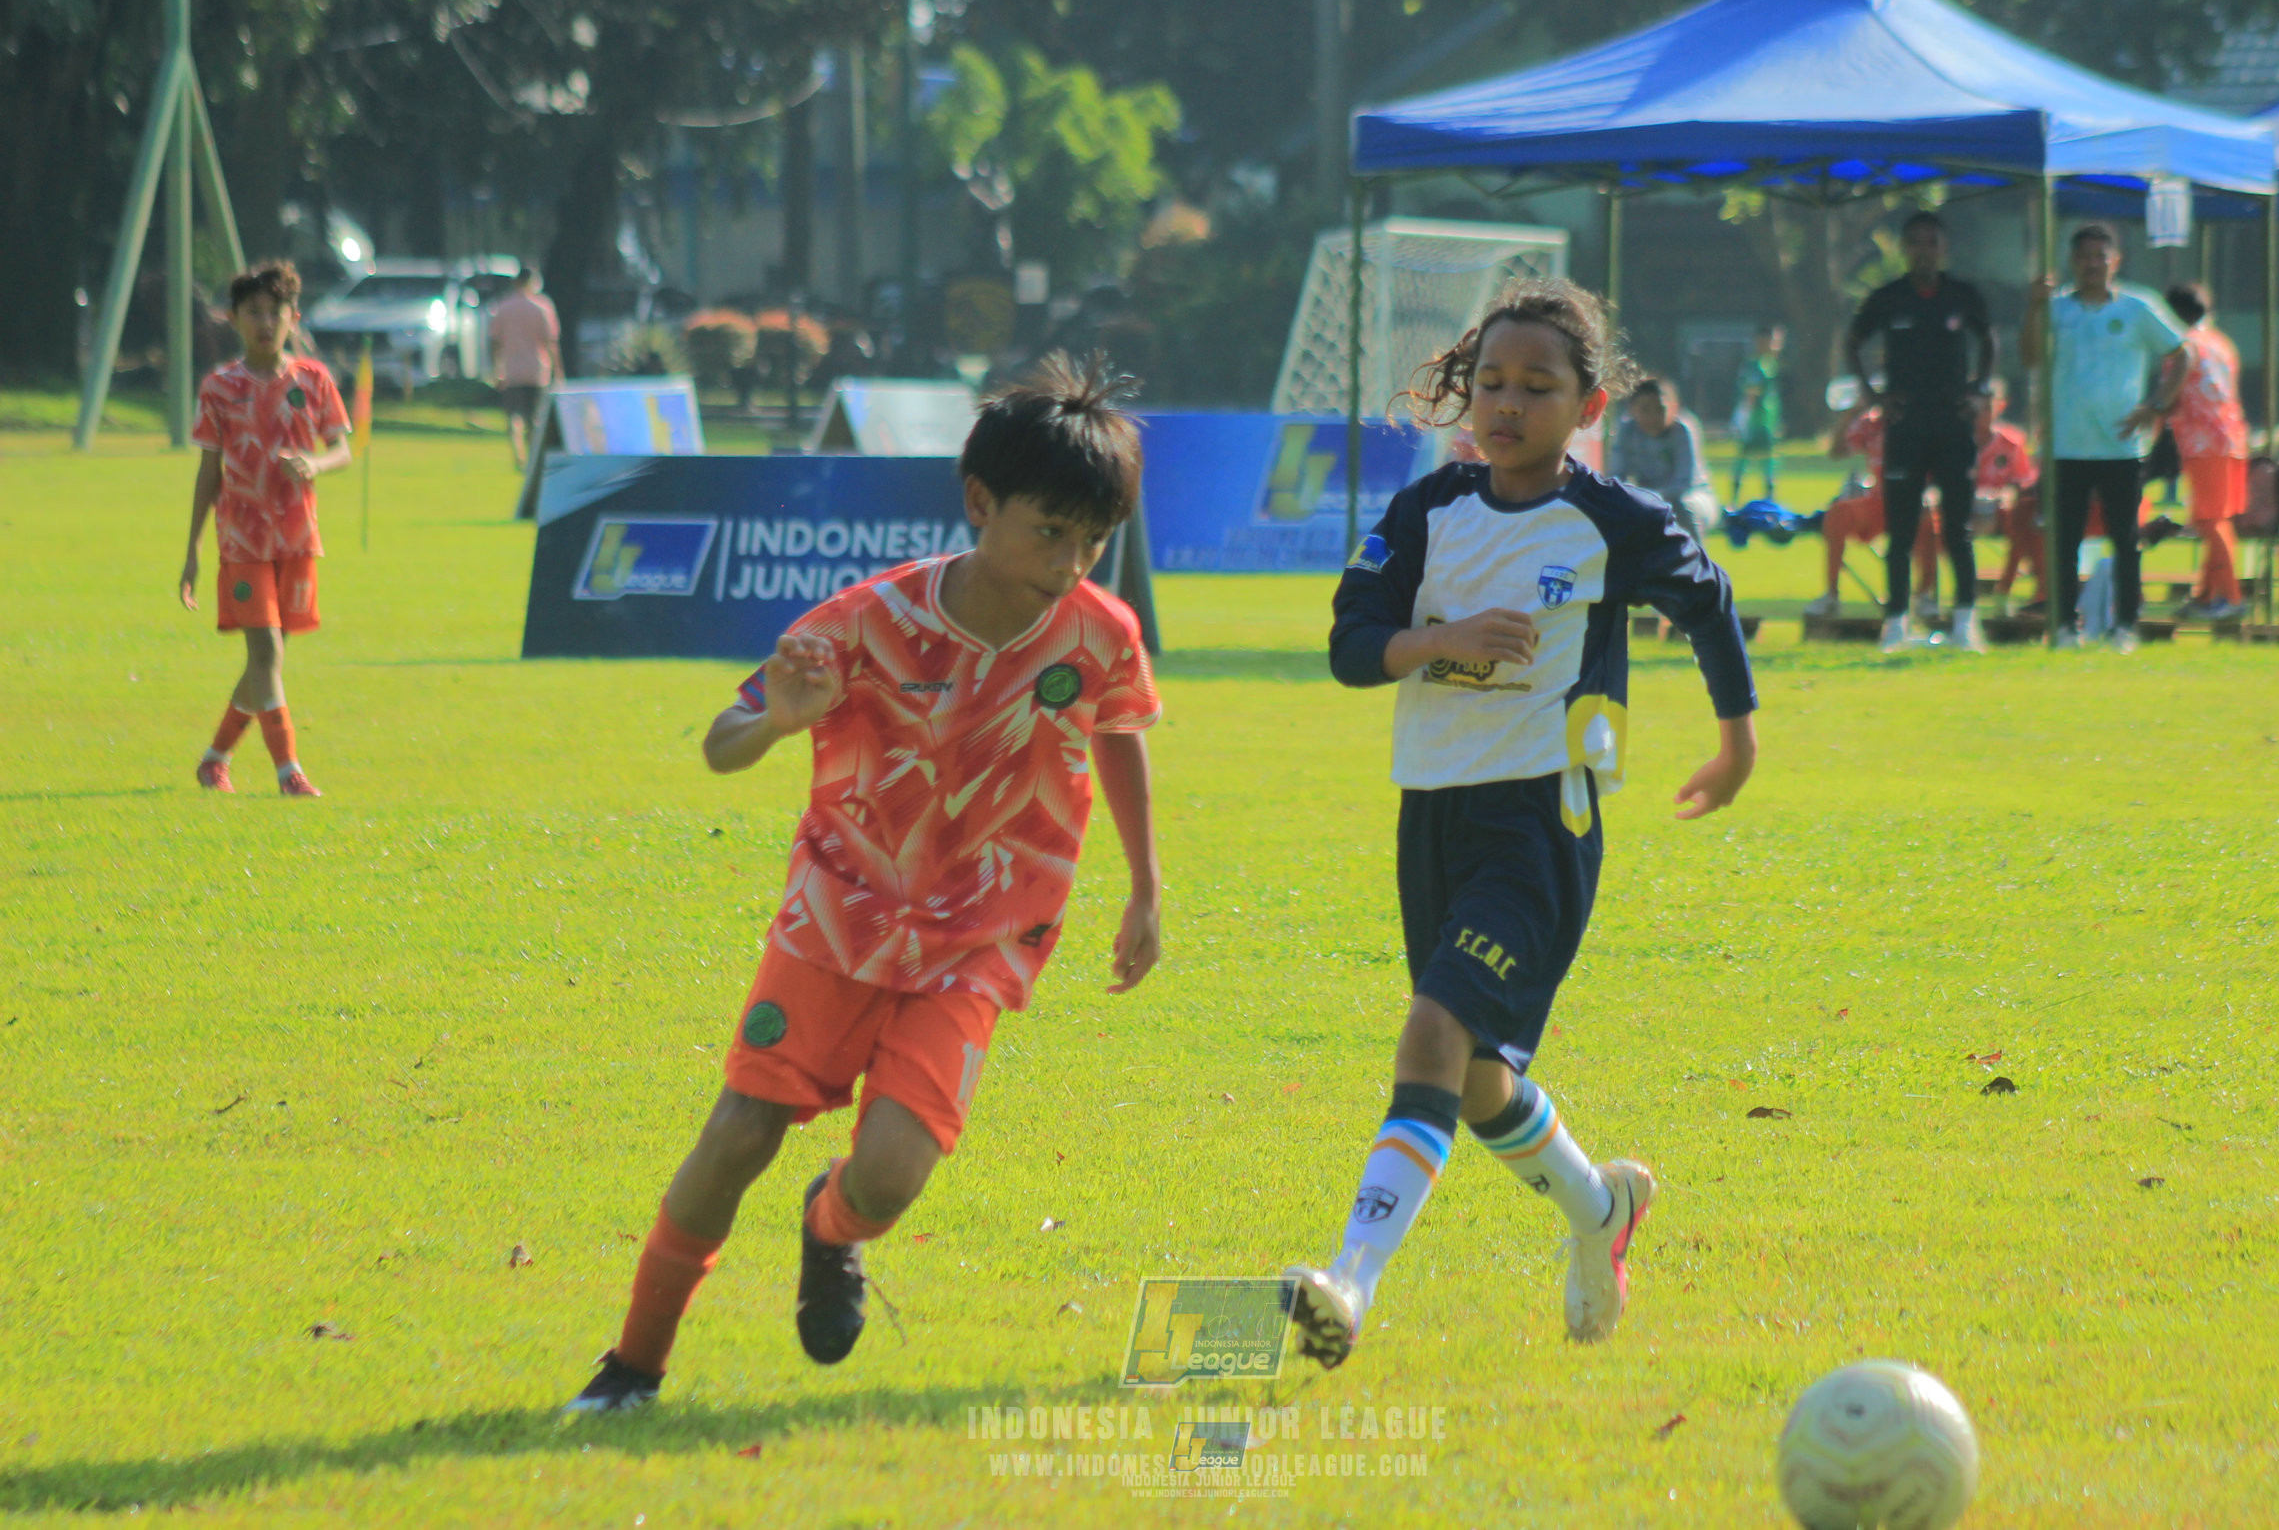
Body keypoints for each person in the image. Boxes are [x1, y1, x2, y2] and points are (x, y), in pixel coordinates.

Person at [567, 354, 1163, 1413]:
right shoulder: (862, 621)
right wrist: (776, 721)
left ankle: (829, 1227)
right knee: (737, 1132)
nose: (1070, 562)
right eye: (1047, 532)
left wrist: (1145, 883)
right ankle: (633, 1366)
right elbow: (720, 742)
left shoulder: (1099, 632)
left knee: (890, 1173)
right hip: (835, 921)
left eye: (1092, 539)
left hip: (983, 936)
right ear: (980, 502)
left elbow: (1116, 728)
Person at [1284, 279, 1758, 1370]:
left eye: (1537, 387)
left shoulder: (1613, 519)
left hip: (1544, 819)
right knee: (1479, 1079)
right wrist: (1432, 641)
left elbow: (1710, 603)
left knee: (1430, 1036)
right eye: (1490, 381)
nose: (1507, 403)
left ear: (1586, 403)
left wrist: (1735, 739)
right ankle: (1599, 1209)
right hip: (1433, 814)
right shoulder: (1426, 510)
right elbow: (1352, 644)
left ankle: (1347, 1284)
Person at [179, 259, 353, 798]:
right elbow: (209, 471)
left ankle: (214, 759)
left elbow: (342, 449)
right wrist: (193, 549)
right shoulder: (221, 387)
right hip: (242, 540)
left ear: (293, 318)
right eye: (252, 312)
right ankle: (289, 772)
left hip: (298, 539)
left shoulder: (314, 380)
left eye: (274, 312)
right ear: (233, 319)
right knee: (267, 657)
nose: (264, 322)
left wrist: (315, 464)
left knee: (264, 662)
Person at [2021, 224, 2188, 652]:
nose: (2092, 264)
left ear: (2116, 261)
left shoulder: (2137, 306)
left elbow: (2181, 353)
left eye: (2101, 256)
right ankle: (2062, 627)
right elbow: (2029, 357)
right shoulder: (2057, 309)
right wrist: (2033, 309)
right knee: (2064, 541)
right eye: (2084, 257)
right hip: (2067, 445)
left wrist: (2156, 404)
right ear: (2072, 262)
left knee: (2125, 539)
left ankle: (2126, 626)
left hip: (2120, 445)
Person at [1846, 211, 1997, 654]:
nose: (1923, 250)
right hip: (1906, 425)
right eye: (1915, 242)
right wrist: (1874, 397)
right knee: (1902, 527)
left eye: (1932, 241)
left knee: (1957, 528)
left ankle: (1965, 623)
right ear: (1903, 249)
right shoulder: (1888, 297)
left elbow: (1988, 339)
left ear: (1943, 247)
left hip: (1953, 424)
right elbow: (1852, 342)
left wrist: (1979, 389)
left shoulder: (1961, 295)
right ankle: (1895, 622)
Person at [2161, 282, 2250, 618]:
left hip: (2204, 442)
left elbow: (2168, 396)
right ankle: (2207, 596)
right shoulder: (2221, 342)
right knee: (2213, 519)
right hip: (2231, 438)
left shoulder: (2183, 346)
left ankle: (2232, 598)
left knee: (2210, 520)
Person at [1805, 399, 1939, 619]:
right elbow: (1837, 452)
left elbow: (1938, 472)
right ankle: (1831, 595)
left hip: (1914, 501)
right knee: (1838, 513)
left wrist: (1930, 494)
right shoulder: (1871, 423)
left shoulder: (1922, 422)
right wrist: (1851, 414)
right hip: (1880, 501)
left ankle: (1924, 594)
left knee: (1929, 518)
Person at [1606, 378, 1719, 540]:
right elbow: (1616, 478)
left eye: (1660, 409)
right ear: (1632, 409)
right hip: (1649, 501)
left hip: (1695, 497)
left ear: (1674, 408)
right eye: (1645, 409)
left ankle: (1698, 562)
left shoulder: (1683, 430)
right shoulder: (1626, 431)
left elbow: (1683, 485)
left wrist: (1646, 500)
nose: (1653, 417)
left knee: (1685, 508)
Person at [1970, 381, 2044, 608]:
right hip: (1960, 508)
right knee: (1929, 522)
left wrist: (2007, 493)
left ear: (2000, 406)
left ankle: (2006, 586)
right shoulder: (1954, 440)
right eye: (1976, 408)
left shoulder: (2011, 442)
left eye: (1986, 407)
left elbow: (2023, 482)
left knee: (2022, 519)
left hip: (1998, 510)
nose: (1980, 415)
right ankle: (1928, 594)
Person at [488, 266, 561, 472]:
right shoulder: (542, 307)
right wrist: (558, 370)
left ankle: (518, 456)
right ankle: (533, 456)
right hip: (537, 370)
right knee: (535, 418)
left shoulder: (502, 307)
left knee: (514, 416)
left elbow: (495, 342)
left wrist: (496, 369)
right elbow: (550, 342)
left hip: (512, 370)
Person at [1728, 324, 1785, 505]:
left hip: (1768, 420)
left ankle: (1769, 501)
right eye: (1771, 341)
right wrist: (1741, 418)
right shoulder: (1755, 366)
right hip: (1755, 422)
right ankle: (1735, 502)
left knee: (1768, 462)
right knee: (1746, 460)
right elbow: (1751, 392)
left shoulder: (1769, 364)